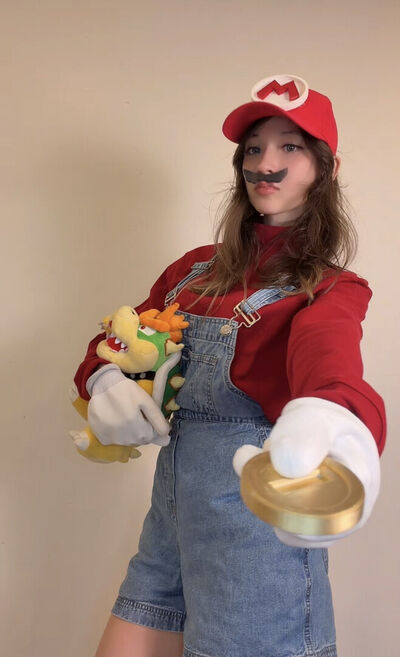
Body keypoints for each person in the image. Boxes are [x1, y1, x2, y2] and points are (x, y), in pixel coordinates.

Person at [74, 74, 386, 657]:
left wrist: (334, 421)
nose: (266, 164)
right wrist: (104, 377)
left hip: (254, 535)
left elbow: (331, 367)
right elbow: (116, 339)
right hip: (171, 519)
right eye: (254, 148)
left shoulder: (330, 289)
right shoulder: (193, 271)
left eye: (290, 146)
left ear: (326, 168)